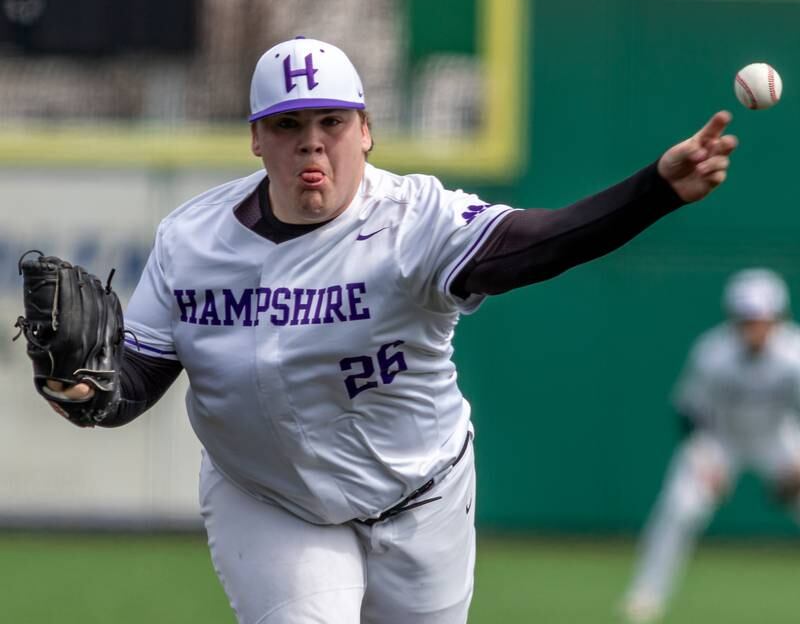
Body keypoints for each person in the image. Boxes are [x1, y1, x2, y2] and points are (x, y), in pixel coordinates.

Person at [41, 36, 737, 624]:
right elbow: (133, 379)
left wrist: (655, 189)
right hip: (270, 501)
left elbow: (541, 243)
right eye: (288, 125)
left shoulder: (413, 221)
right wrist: (81, 393)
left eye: (332, 122)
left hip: (420, 499)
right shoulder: (191, 240)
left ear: (366, 131)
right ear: (256, 137)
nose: (311, 141)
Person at [622, 268, 800, 623]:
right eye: (746, 319)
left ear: (777, 317)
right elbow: (690, 415)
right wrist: (706, 463)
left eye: (761, 319)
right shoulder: (712, 352)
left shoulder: (794, 354)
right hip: (720, 440)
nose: (754, 327)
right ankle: (645, 597)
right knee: (679, 508)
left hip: (777, 437)